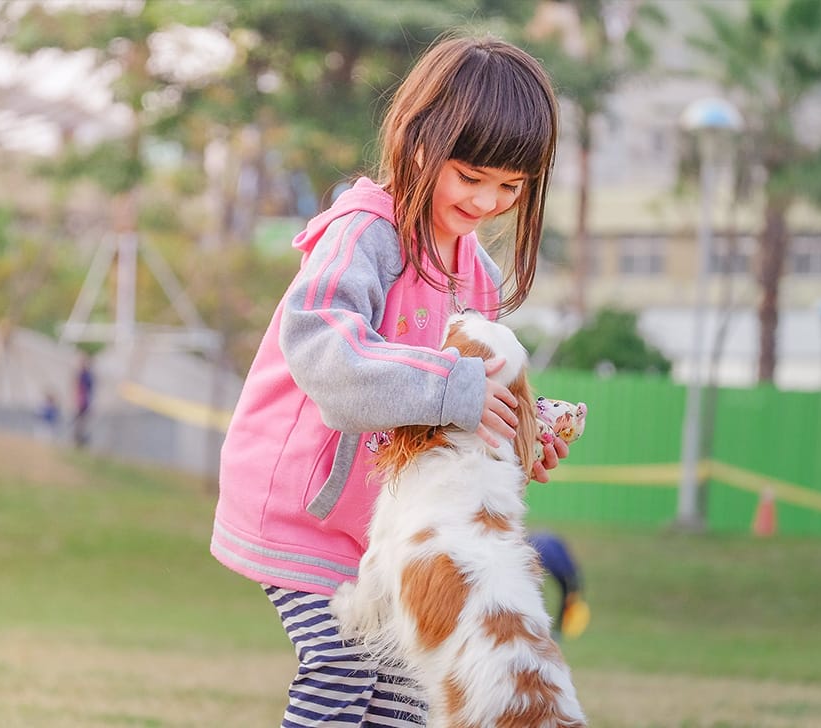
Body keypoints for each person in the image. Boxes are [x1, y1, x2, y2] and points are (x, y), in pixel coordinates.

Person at [210, 33, 565, 727]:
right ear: (418, 140)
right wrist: (458, 392)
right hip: (309, 510)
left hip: (396, 523)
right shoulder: (365, 235)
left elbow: (465, 397)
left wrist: (520, 427)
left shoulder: (477, 276)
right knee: (342, 662)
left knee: (407, 691)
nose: (488, 201)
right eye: (472, 176)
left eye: (511, 187)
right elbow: (324, 351)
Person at [528, 531, 589, 639]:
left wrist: (575, 591)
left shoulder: (558, 562)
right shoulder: (537, 553)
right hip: (541, 555)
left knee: (566, 594)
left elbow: (571, 576)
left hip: (550, 557)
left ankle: (556, 629)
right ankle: (548, 629)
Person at [72, 353, 93, 448]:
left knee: (82, 422)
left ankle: (80, 441)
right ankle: (78, 440)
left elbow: (87, 389)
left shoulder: (87, 375)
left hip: (84, 402)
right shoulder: (82, 374)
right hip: (81, 401)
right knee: (79, 422)